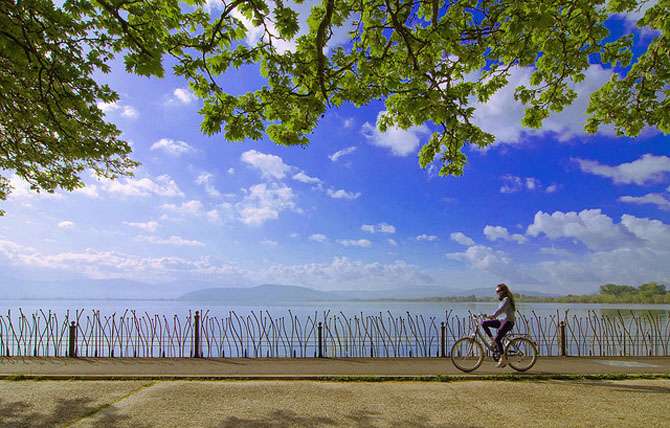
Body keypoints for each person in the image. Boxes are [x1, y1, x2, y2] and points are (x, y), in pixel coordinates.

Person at [482, 283, 516, 368]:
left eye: (498, 291)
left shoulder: (507, 299)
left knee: (498, 338)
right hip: (502, 321)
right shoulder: (502, 299)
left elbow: (500, 310)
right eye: (496, 291)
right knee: (484, 323)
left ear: (503, 291)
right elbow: (500, 311)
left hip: (508, 322)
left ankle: (503, 359)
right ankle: (492, 341)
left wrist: (493, 316)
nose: (497, 293)